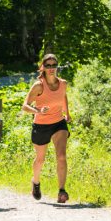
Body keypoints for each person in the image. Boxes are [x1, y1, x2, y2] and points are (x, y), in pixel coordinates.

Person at [22, 53, 71, 203]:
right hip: (41, 125)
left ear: (57, 67)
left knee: (61, 156)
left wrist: (67, 113)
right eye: (48, 65)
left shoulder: (63, 83)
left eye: (54, 65)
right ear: (43, 67)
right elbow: (24, 106)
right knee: (40, 159)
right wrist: (37, 111)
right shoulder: (39, 86)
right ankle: (35, 182)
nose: (51, 68)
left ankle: (62, 191)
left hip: (58, 123)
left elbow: (63, 96)